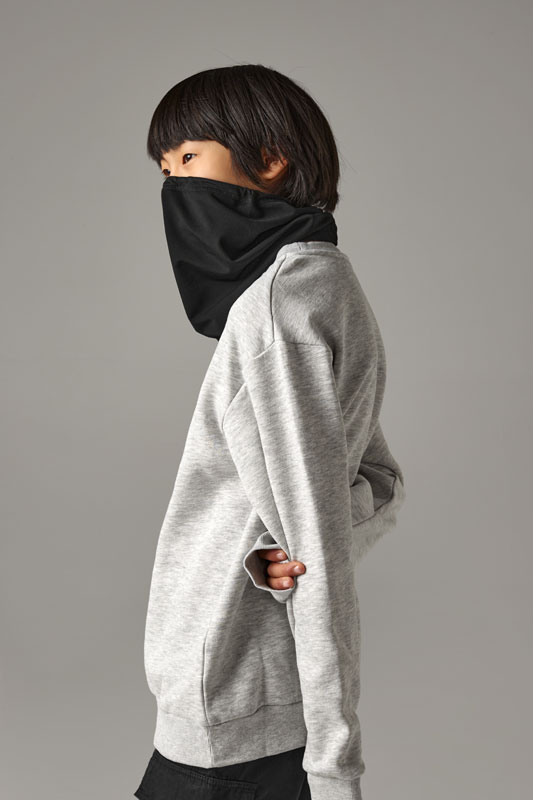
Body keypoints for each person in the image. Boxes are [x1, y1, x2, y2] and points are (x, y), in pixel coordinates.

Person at [133, 63, 406, 800]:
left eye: (188, 157)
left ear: (269, 157)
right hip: (250, 703)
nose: (173, 186)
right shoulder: (324, 283)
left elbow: (317, 546)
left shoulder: (277, 310)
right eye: (164, 170)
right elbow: (375, 483)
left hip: (231, 715)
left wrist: (335, 768)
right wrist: (266, 552)